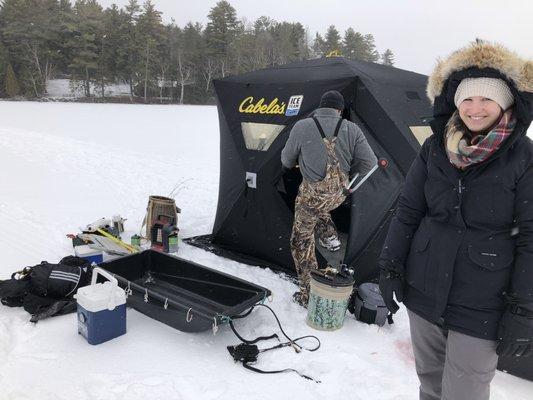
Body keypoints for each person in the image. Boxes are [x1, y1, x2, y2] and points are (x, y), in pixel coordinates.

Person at [378, 40, 533, 400]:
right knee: (430, 386)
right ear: (454, 101)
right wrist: (388, 265)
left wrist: (524, 310)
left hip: (484, 304)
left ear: (505, 102)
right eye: (467, 98)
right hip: (425, 292)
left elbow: (530, 236)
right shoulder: (435, 148)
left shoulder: (523, 157)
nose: (475, 108)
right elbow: (408, 210)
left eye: (486, 99)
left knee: (464, 393)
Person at [281, 90, 377, 306]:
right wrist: (349, 184)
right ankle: (330, 235)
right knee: (319, 206)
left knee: (300, 242)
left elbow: (286, 160)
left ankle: (308, 295)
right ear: (339, 110)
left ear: (319, 108)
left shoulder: (302, 126)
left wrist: (304, 159)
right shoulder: (352, 129)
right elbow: (370, 164)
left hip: (312, 195)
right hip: (337, 196)